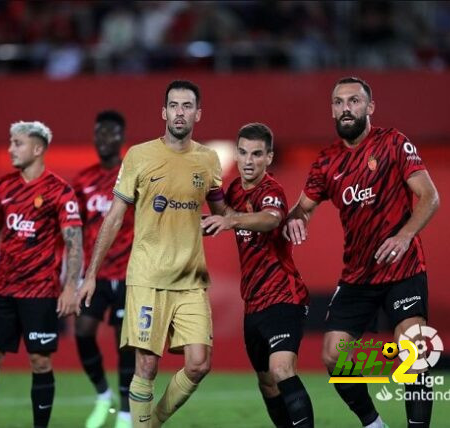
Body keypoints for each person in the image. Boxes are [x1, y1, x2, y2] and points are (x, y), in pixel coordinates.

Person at [284, 77, 440, 428]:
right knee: (333, 356)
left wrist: (404, 236)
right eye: (338, 103)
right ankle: (374, 425)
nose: (345, 108)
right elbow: (302, 207)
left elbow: (430, 197)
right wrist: (297, 219)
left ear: (370, 108)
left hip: (403, 268)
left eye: (353, 101)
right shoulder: (326, 162)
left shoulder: (393, 143)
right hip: (358, 275)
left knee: (412, 349)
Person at [77, 80, 225, 427]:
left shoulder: (208, 160)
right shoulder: (140, 156)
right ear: (164, 112)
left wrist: (241, 219)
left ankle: (151, 422)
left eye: (187, 106)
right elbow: (113, 218)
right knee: (145, 365)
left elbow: (224, 211)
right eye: (173, 105)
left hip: (190, 279)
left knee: (199, 364)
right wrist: (90, 275)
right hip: (147, 278)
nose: (179, 112)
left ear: (197, 113)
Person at [0, 121, 83, 428]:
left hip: (41, 292)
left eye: (17, 143)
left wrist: (70, 287)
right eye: (11, 142)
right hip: (3, 290)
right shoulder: (2, 187)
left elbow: (74, 243)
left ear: (38, 148)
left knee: (40, 362)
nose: (10, 149)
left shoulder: (60, 192)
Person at [201, 123, 314, 427]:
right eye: (243, 153)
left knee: (282, 370)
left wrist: (232, 219)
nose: (249, 160)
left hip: (283, 296)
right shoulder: (237, 188)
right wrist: (211, 208)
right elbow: (224, 214)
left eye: (256, 154)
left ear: (268, 157)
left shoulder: (271, 190)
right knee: (267, 383)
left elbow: (270, 218)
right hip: (253, 303)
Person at [72, 110, 135, 428]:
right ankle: (102, 394)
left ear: (122, 138)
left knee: (125, 342)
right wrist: (72, 277)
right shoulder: (83, 181)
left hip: (129, 274)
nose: (101, 139)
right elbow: (72, 230)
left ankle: (125, 411)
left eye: (109, 133)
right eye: (98, 133)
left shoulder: (133, 176)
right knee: (82, 331)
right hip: (95, 276)